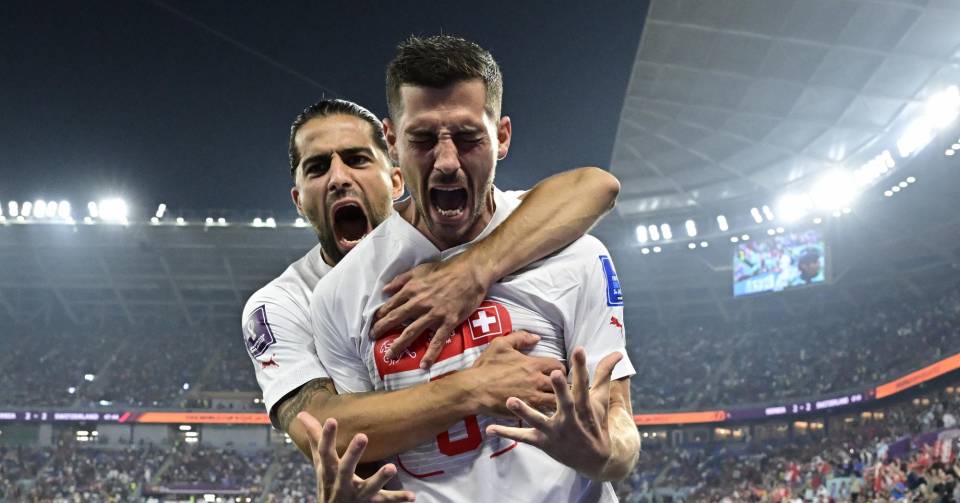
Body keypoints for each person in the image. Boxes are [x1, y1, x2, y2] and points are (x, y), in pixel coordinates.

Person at [309, 35, 639, 502]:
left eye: (468, 139)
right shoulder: (341, 293)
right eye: (422, 139)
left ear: (501, 137)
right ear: (392, 141)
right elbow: (365, 453)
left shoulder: (577, 255)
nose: (447, 162)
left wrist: (601, 454)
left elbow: (620, 426)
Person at [243, 98, 622, 498]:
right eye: (317, 168)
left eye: (357, 160)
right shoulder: (285, 303)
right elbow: (322, 429)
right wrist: (471, 388)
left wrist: (474, 268)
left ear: (397, 179)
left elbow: (595, 187)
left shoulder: (466, 236)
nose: (338, 178)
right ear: (299, 200)